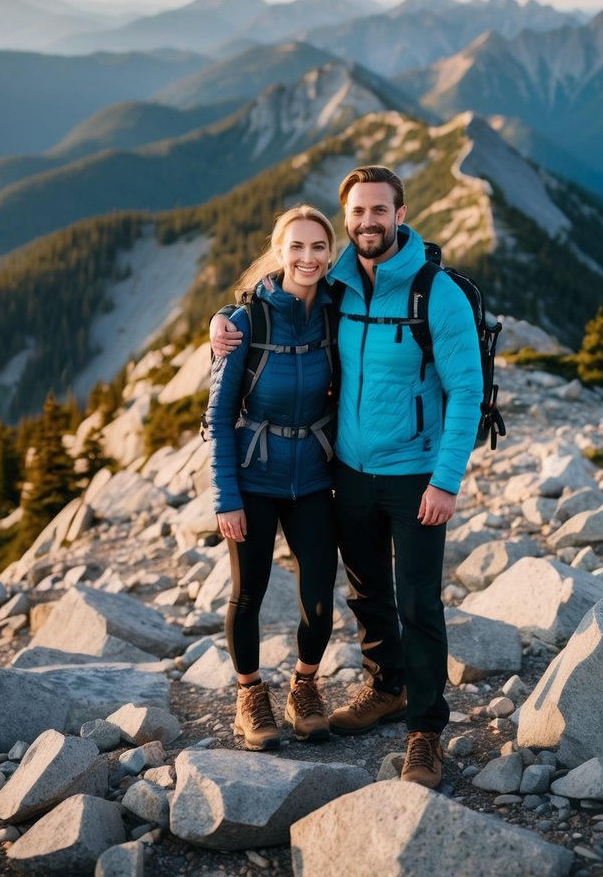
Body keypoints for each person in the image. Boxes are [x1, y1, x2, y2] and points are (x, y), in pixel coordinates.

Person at [212, 167, 483, 788]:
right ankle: (385, 687)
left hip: (416, 474)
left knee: (418, 601)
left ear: (400, 214)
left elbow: (466, 390)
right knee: (365, 593)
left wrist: (446, 481)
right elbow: (275, 293)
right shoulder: (338, 283)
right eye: (357, 212)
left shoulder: (435, 293)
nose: (368, 222)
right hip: (349, 471)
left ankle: (424, 732)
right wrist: (220, 321)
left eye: (378, 211)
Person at [206, 204, 339, 751]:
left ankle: (304, 685)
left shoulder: (341, 311)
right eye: (297, 247)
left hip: (313, 475)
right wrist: (226, 497)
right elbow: (216, 416)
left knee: (320, 599)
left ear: (331, 254)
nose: (307, 258)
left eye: (318, 247)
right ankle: (250, 694)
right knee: (249, 593)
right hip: (254, 477)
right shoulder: (245, 324)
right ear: (278, 251)